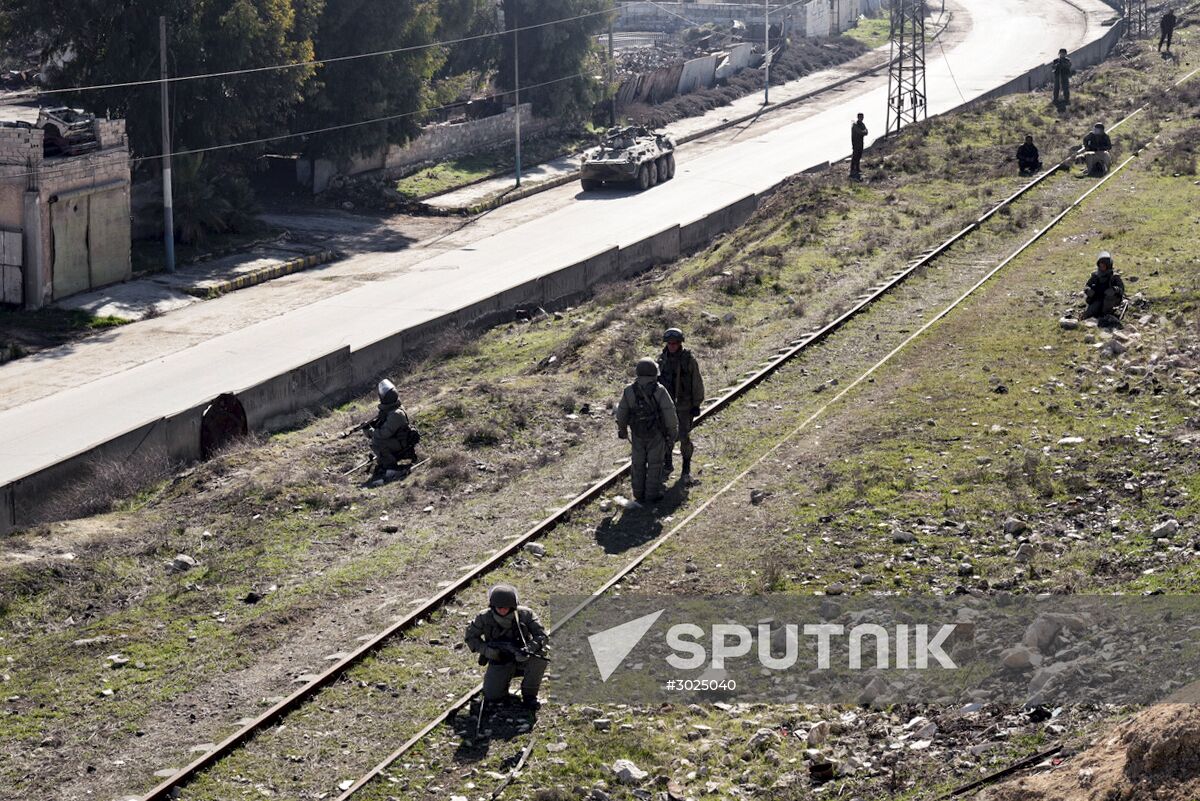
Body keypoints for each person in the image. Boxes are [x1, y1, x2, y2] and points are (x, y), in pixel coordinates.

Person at [465, 584, 549, 710]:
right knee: (492, 696)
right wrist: (487, 651)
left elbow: (541, 636)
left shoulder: (526, 614)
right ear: (492, 606)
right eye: (499, 607)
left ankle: (529, 696)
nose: (503, 610)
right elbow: (471, 638)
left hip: (522, 658)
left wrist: (529, 649)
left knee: (540, 658)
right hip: (499, 659)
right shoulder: (483, 617)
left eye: (507, 607)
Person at [615, 358, 679, 507]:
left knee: (637, 464)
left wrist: (623, 429)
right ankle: (652, 495)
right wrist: (672, 432)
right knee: (655, 464)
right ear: (654, 373)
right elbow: (670, 414)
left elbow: (621, 413)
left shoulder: (629, 391)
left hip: (637, 434)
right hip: (656, 434)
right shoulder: (660, 390)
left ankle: (638, 494)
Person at [657, 328, 705, 483]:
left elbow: (696, 382)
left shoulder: (688, 360)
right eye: (669, 343)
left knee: (684, 437)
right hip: (666, 406)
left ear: (680, 343)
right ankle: (668, 464)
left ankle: (686, 469)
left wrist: (696, 403)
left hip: (684, 406)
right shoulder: (661, 360)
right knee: (666, 436)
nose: (672, 346)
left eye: (675, 343)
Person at [365, 379, 419, 485]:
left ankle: (392, 467)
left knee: (377, 441)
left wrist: (370, 431)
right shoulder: (392, 409)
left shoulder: (395, 414)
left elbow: (383, 434)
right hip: (398, 441)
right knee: (377, 440)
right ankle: (384, 463)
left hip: (402, 444)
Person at [1083, 251, 1125, 323]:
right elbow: (1087, 286)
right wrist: (1088, 290)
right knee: (1090, 313)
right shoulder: (1095, 275)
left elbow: (1122, 289)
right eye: (1100, 265)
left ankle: (1106, 314)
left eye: (1103, 266)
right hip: (1097, 298)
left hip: (1110, 300)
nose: (1101, 267)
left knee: (1106, 309)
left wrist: (1114, 289)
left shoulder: (1114, 276)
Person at [850, 113, 868, 180]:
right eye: (860, 117)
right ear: (858, 117)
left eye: (862, 117)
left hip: (861, 142)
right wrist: (863, 132)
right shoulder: (855, 125)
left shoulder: (862, 124)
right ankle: (852, 169)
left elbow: (866, 132)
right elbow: (860, 132)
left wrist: (863, 132)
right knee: (855, 156)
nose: (861, 118)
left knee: (859, 156)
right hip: (855, 143)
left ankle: (857, 168)